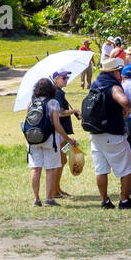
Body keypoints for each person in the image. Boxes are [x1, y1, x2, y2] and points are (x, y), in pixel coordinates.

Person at [82, 56, 131, 209]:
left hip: (95, 133)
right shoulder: (113, 86)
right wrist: (127, 111)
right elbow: (125, 101)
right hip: (112, 132)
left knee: (101, 169)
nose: (121, 74)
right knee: (127, 167)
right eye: (119, 71)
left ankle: (105, 201)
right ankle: (124, 200)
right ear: (115, 72)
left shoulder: (95, 84)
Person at [24, 77, 79, 207]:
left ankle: (36, 199)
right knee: (51, 168)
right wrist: (69, 139)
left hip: (33, 138)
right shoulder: (53, 103)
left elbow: (27, 119)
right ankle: (49, 198)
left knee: (36, 168)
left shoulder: (31, 102)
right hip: (50, 140)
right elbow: (57, 124)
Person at [48, 68, 81, 199]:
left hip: (60, 133)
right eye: (64, 78)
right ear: (56, 80)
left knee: (62, 159)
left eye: (67, 77)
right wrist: (74, 111)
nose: (66, 80)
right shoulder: (58, 93)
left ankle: (57, 188)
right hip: (60, 132)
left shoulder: (57, 92)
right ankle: (55, 191)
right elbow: (60, 113)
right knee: (61, 160)